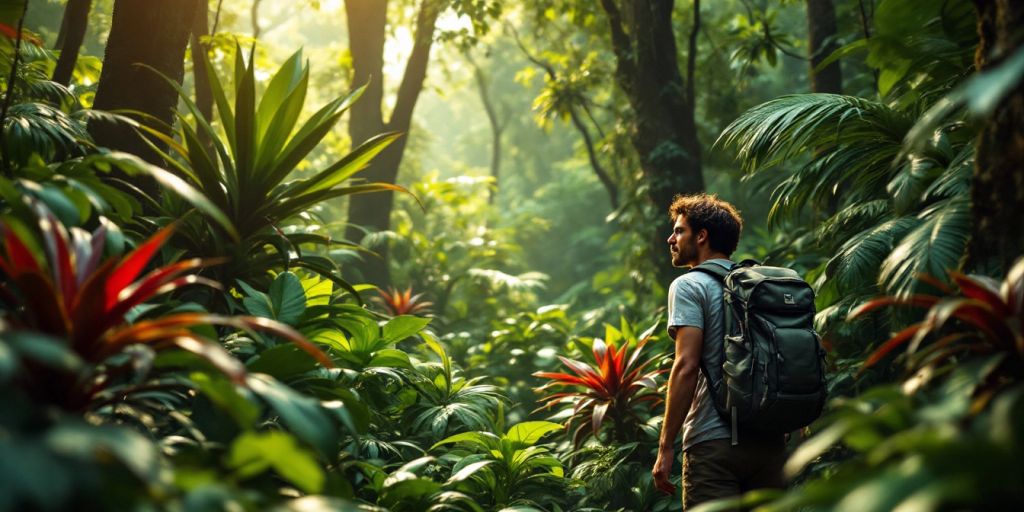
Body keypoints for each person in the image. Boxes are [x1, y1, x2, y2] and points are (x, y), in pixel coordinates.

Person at [651, 193, 787, 509]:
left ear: (702, 236)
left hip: (713, 443)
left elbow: (686, 365)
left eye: (679, 231)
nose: (671, 239)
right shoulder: (759, 285)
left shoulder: (688, 285)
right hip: (770, 440)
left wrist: (666, 446)